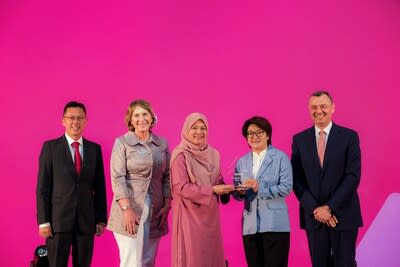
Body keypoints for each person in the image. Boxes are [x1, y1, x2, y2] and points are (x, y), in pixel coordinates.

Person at [291, 91, 362, 267]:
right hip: (314, 217)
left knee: (345, 263)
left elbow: (352, 176)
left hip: (343, 215)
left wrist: (329, 207)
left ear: (332, 108)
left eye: (323, 106)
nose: (319, 111)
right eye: (314, 107)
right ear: (309, 110)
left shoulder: (349, 137)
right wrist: (316, 209)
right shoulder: (299, 140)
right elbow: (296, 178)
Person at [36, 101, 107, 267]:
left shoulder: (94, 149)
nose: (76, 122)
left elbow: (100, 187)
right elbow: (42, 187)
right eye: (71, 118)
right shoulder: (50, 148)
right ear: (63, 121)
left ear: (86, 121)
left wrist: (101, 219)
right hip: (57, 222)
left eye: (80, 118)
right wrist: (43, 221)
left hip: (86, 222)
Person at [107, 99, 171, 267]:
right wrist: (127, 209)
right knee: (131, 262)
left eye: (145, 114)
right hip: (129, 210)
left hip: (156, 211)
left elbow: (167, 176)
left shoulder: (161, 143)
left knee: (149, 260)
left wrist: (167, 204)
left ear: (152, 118)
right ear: (130, 119)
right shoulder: (122, 143)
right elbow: (117, 177)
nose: (141, 119)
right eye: (136, 115)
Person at [170, 112, 234, 267]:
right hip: (188, 214)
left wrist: (229, 189)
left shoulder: (213, 154)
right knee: (193, 257)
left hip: (210, 215)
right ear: (186, 130)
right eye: (194, 128)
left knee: (211, 255)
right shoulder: (180, 155)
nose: (199, 132)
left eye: (203, 128)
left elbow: (217, 180)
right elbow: (181, 188)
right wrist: (213, 190)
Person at [233, 116, 292, 267]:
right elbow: (237, 192)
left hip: (275, 224)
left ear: (267, 135)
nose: (255, 136)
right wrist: (239, 192)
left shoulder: (280, 158)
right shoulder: (242, 161)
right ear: (246, 138)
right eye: (250, 133)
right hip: (250, 225)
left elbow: (286, 188)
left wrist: (260, 188)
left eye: (259, 132)